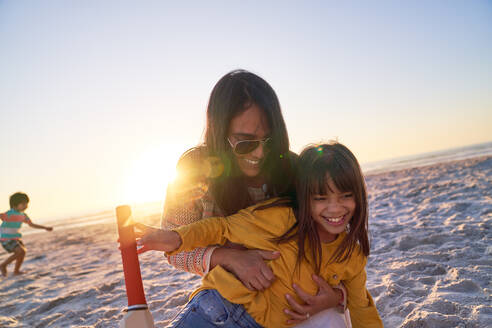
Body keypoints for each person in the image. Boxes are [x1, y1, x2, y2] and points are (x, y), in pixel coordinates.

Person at [160, 69, 345, 324]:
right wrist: (229, 258)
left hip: (296, 304)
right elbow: (173, 247)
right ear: (219, 134)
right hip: (227, 303)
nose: (259, 154)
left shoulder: (292, 168)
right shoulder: (194, 168)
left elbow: (338, 243)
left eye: (269, 141)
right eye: (245, 142)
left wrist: (337, 296)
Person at [138, 142, 383, 328]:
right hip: (219, 309)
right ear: (305, 199)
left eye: (345, 196)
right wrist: (176, 238)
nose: (335, 208)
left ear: (359, 195)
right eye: (321, 199)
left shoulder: (352, 255)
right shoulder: (281, 218)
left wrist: (338, 297)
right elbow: (221, 227)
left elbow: (361, 308)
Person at [1, 192, 53, 276]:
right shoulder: (9, 214)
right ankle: (3, 265)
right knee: (20, 251)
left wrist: (45, 227)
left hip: (15, 237)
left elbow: (32, 224)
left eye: (27, 203)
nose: (26, 206)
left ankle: (16, 271)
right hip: (5, 237)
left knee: (23, 252)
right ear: (14, 205)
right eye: (23, 203)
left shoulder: (23, 215)